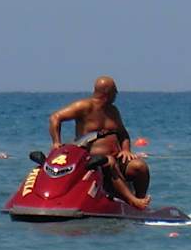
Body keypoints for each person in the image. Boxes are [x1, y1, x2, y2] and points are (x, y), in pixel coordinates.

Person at [49, 76, 151, 210]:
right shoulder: (84, 106)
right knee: (109, 161)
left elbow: (123, 133)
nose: (117, 94)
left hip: (116, 157)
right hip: (92, 160)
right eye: (115, 91)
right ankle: (132, 200)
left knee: (140, 166)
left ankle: (140, 203)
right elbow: (55, 118)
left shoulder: (113, 111)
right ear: (107, 92)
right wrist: (56, 142)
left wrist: (126, 150)